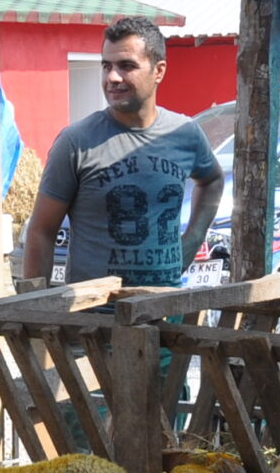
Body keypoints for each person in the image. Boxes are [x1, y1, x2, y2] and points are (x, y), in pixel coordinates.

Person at [19, 16, 224, 290]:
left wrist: (192, 239)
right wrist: (36, 312)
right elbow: (41, 231)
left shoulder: (185, 133)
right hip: (95, 321)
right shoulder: (77, 141)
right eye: (107, 66)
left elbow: (212, 180)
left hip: (164, 312)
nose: (113, 77)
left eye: (126, 66)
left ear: (158, 71)